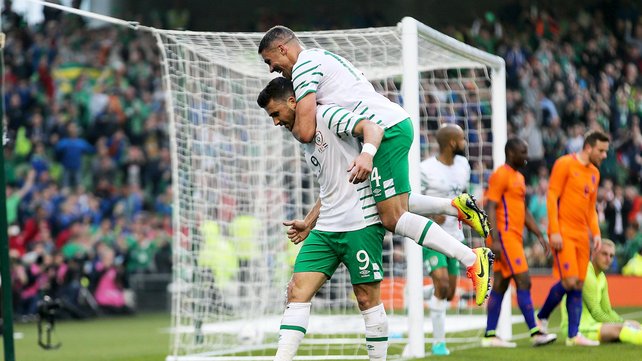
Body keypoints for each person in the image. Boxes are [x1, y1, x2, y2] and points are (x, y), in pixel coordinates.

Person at [259, 26, 493, 306]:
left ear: (282, 49)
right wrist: (310, 222)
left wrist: (293, 119)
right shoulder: (319, 59)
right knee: (386, 202)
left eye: (270, 61)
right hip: (388, 126)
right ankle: (453, 206)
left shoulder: (305, 67)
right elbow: (335, 185)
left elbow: (307, 131)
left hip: (384, 130)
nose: (273, 69)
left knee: (392, 217)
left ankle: (472, 258)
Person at [257, 77, 389, 361]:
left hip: (360, 222)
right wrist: (309, 220)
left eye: (276, 114)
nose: (276, 122)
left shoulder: (327, 114)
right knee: (296, 290)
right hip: (327, 226)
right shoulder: (301, 135)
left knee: (366, 299)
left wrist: (367, 155)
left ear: (293, 102)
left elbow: (372, 127)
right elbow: (330, 185)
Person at [536, 130, 610, 346]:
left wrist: (596, 233)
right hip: (564, 232)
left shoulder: (595, 173)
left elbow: (590, 209)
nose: (605, 155)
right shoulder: (565, 164)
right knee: (568, 281)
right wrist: (554, 230)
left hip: (581, 236)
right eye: (601, 150)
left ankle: (573, 336)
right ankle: (541, 317)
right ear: (588, 147)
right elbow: (552, 196)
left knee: (578, 283)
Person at [481, 138, 557, 348]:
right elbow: (490, 207)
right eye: (522, 152)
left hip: (514, 236)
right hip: (504, 237)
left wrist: (539, 234)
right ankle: (536, 332)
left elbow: (522, 210)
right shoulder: (501, 175)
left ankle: (490, 336)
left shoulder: (519, 178)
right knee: (524, 280)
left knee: (501, 285)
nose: (526, 156)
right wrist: (494, 239)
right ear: (510, 153)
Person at [419, 123, 471, 355]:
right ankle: (439, 343)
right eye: (462, 139)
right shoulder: (425, 169)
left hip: (455, 236)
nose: (464, 143)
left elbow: (464, 197)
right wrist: (431, 214)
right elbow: (410, 201)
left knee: (449, 292)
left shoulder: (463, 165)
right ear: (452, 143)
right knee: (442, 285)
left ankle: (417, 293)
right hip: (431, 234)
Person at [561, 239, 642, 345]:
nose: (608, 259)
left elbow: (607, 310)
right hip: (578, 328)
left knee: (634, 327)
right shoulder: (586, 272)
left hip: (593, 325)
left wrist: (623, 322)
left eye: (611, 256)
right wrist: (624, 324)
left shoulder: (602, 277)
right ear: (594, 253)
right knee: (622, 329)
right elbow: (596, 312)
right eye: (604, 254)